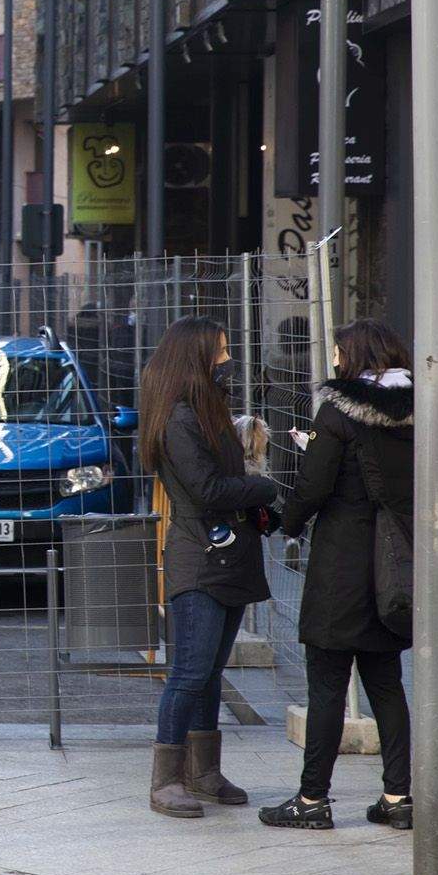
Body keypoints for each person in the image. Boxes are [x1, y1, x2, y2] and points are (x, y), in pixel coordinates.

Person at [260, 319, 414, 832]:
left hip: (342, 565)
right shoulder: (417, 411)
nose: (333, 359)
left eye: (337, 352)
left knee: (327, 686)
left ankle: (312, 802)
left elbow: (314, 485)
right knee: (387, 684)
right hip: (393, 565)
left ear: (354, 355)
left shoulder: (338, 412)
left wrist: (286, 521)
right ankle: (397, 797)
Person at [139, 316, 279, 819]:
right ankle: (166, 780)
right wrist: (264, 488)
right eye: (219, 352)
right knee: (190, 672)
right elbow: (208, 490)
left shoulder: (206, 410)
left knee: (211, 672)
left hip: (227, 554)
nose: (227, 361)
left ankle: (203, 773)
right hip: (200, 556)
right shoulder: (178, 418)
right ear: (193, 359)